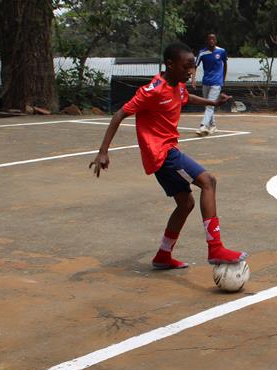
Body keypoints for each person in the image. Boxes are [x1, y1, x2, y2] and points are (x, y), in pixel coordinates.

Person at [90, 42, 247, 270]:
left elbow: (188, 97)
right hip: (163, 154)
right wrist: (103, 151)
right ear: (170, 64)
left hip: (165, 154)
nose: (191, 71)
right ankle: (215, 247)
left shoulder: (178, 85)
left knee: (185, 204)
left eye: (193, 67)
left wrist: (213, 102)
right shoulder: (152, 91)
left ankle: (163, 255)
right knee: (208, 182)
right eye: (186, 67)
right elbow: (119, 114)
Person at [192, 33, 227, 136]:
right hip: (206, 82)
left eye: (213, 39)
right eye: (209, 39)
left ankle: (203, 126)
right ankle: (213, 125)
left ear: (216, 41)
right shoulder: (202, 53)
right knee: (208, 104)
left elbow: (225, 65)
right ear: (207, 41)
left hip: (217, 82)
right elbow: (195, 66)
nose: (211, 41)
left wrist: (223, 79)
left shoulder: (221, 51)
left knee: (210, 105)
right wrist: (193, 79)